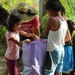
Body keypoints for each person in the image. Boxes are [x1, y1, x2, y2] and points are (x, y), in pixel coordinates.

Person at [43, 0, 68, 75]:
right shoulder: (64, 20)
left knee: (49, 72)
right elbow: (66, 37)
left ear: (50, 11)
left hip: (53, 50)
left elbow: (45, 33)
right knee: (58, 71)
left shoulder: (52, 19)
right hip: (61, 49)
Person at [61, 5, 74, 75]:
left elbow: (68, 37)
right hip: (66, 47)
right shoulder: (68, 22)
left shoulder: (67, 23)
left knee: (65, 69)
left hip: (66, 47)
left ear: (61, 13)